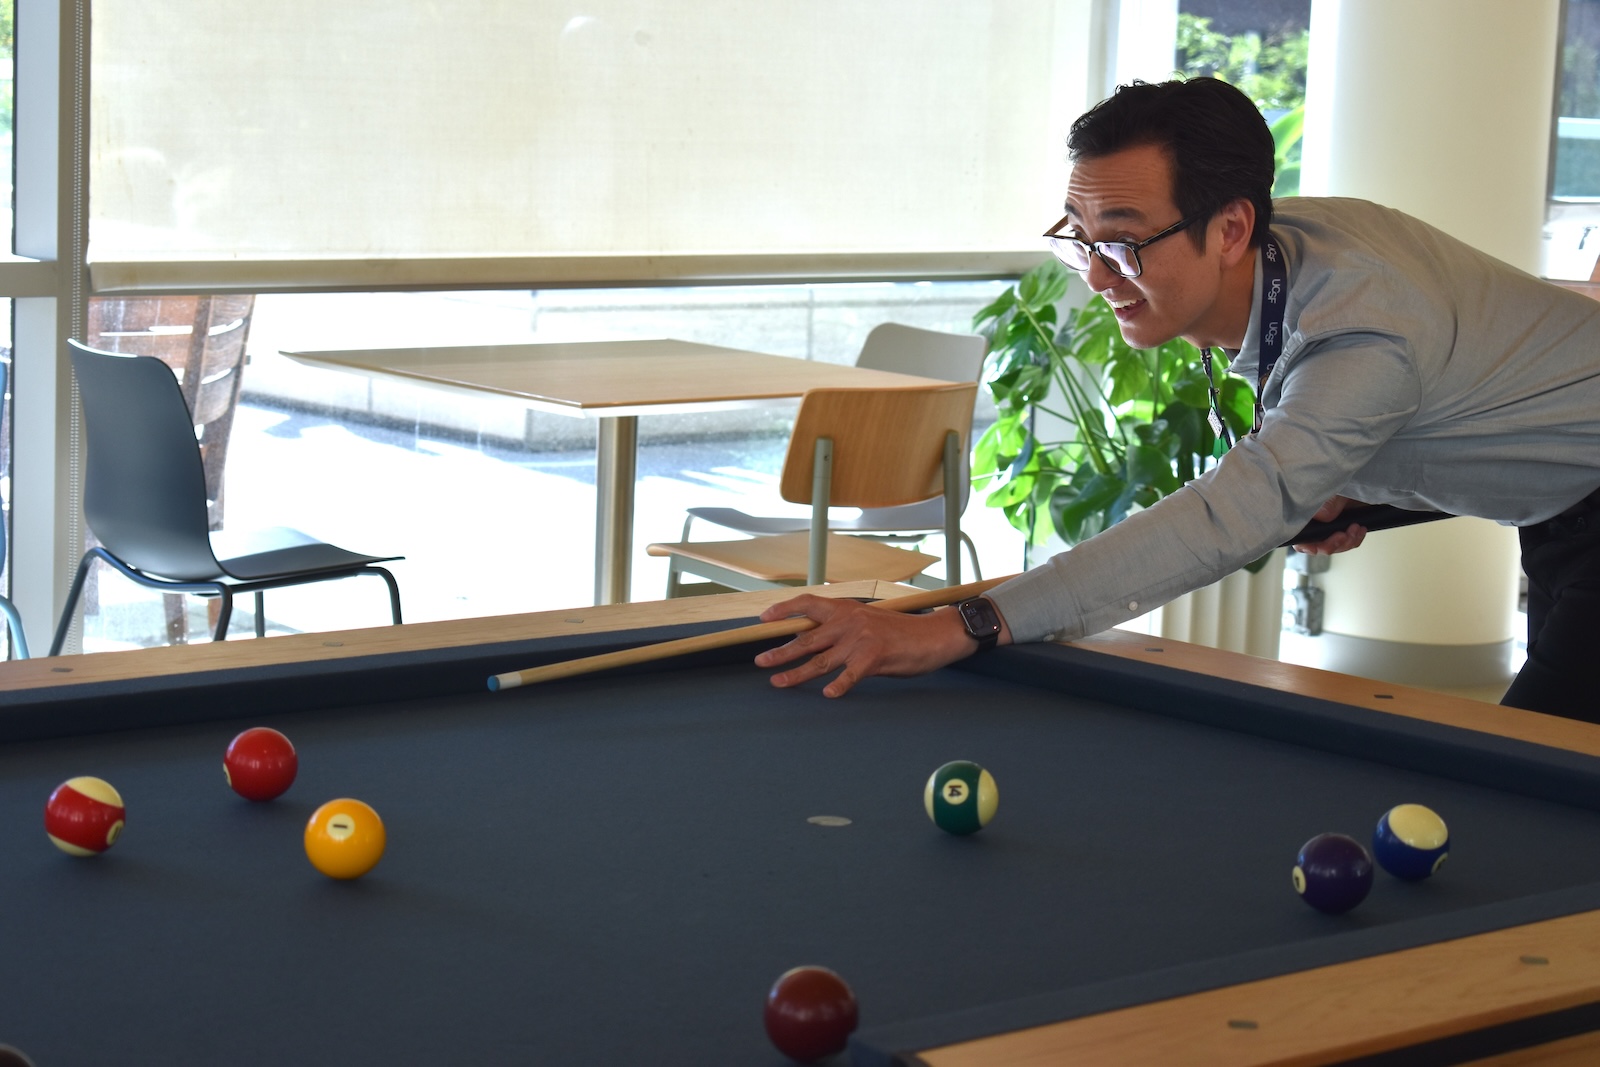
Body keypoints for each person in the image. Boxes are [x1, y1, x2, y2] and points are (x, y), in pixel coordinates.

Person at [752, 76, 1600, 721]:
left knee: (1534, 782)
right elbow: (1477, 399)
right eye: (1079, 240)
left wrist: (958, 624)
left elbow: (1234, 511)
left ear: (1230, 230)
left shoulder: (1365, 326)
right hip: (1562, 491)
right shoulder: (1285, 248)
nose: (1094, 278)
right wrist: (1355, 482)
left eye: (1120, 243)